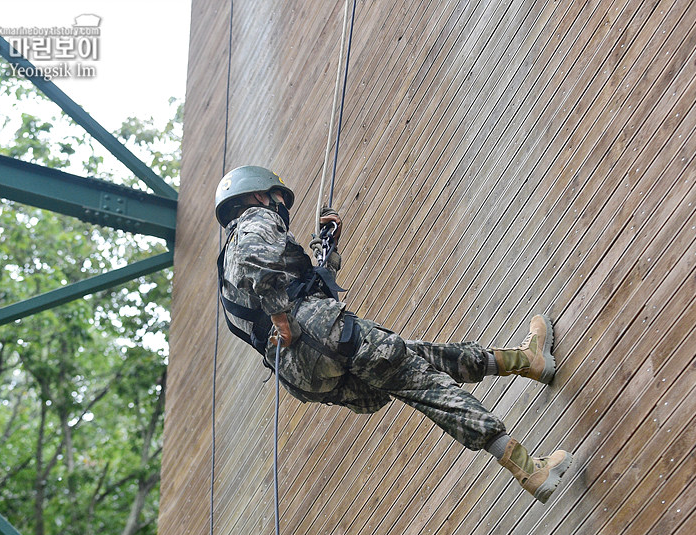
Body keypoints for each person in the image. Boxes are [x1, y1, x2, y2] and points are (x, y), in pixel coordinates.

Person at [215, 165, 574, 504]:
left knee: (414, 358)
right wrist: (282, 316)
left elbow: (296, 289)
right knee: (424, 385)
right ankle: (529, 469)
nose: (280, 205)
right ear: (259, 196)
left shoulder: (226, 272)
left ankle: (526, 361)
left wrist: (328, 251)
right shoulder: (253, 222)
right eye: (276, 198)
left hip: (304, 375)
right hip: (319, 333)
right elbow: (259, 263)